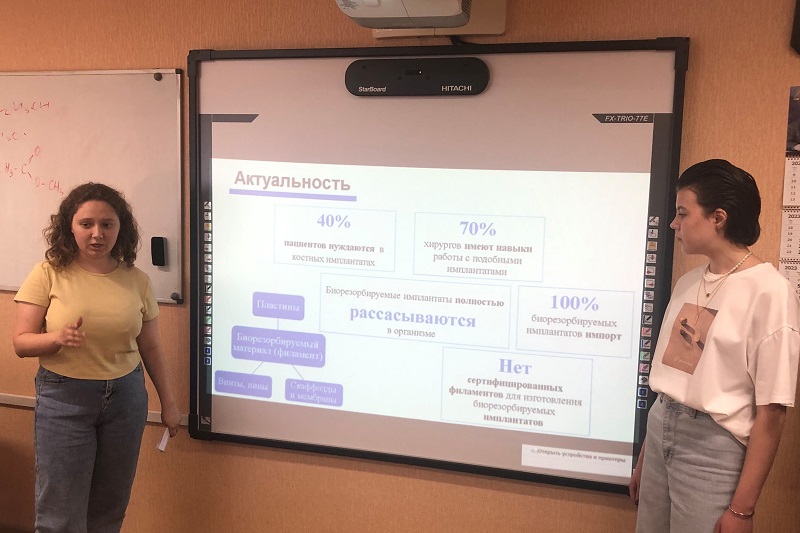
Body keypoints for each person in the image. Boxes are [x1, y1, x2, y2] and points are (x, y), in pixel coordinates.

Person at [628, 159, 800, 532]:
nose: (673, 224)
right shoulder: (690, 281)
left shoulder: (771, 292)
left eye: (682, 213)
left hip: (712, 446)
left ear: (718, 217)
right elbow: (674, 380)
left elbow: (772, 412)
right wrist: (645, 458)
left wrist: (742, 511)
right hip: (660, 428)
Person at [12, 182, 181, 533]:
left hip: (126, 398)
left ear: (121, 229)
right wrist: (56, 338)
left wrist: (169, 403)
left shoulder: (137, 280)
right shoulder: (48, 272)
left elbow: (151, 347)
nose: (97, 234)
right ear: (69, 227)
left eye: (107, 224)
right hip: (64, 398)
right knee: (60, 514)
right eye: (86, 224)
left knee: (109, 508)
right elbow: (21, 343)